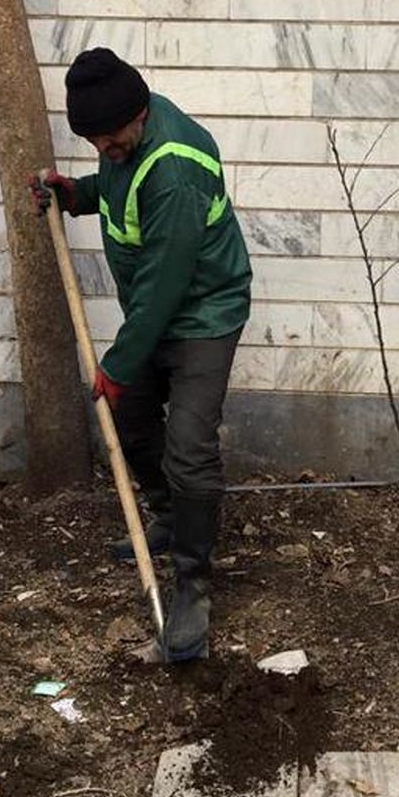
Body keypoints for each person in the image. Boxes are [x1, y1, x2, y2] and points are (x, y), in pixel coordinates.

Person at [29, 48, 251, 662]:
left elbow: (162, 286)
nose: (107, 150)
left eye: (112, 140)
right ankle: (167, 517)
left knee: (188, 446)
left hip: (202, 315)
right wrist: (75, 194)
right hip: (158, 314)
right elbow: (122, 187)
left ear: (140, 114)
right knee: (127, 420)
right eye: (94, 143)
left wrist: (118, 366)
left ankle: (193, 583)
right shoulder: (132, 139)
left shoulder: (175, 170)